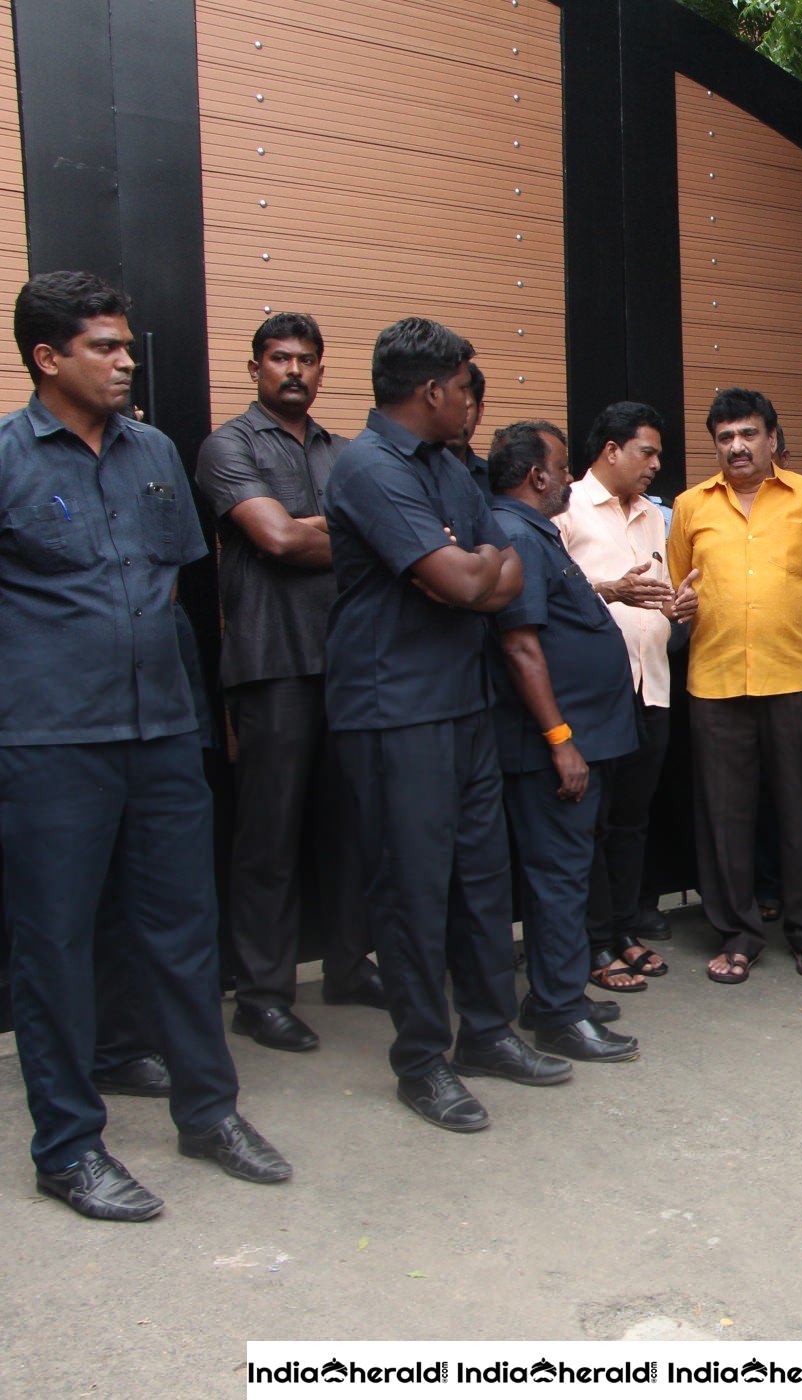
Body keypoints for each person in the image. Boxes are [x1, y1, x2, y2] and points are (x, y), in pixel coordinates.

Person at [0, 271, 289, 1220]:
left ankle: (209, 1114)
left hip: (163, 732)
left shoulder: (157, 451)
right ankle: (68, 1148)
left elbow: (170, 590)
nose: (128, 362)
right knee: (55, 944)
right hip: (50, 743)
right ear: (48, 357)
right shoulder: (7, 458)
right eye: (105, 347)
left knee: (182, 931)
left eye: (128, 345)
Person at [327, 317, 566, 1133]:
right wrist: (466, 571)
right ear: (432, 390)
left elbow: (500, 565)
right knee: (413, 892)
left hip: (463, 703)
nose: (473, 401)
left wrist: (468, 571)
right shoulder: (366, 468)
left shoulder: (453, 467)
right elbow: (465, 578)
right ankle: (422, 1059)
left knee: (479, 882)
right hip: (395, 711)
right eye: (466, 386)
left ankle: (489, 1034)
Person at [193, 312, 385, 1050]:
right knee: (268, 839)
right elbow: (273, 538)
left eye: (307, 359)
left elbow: (375, 540)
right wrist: (338, 532)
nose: (294, 371)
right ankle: (263, 995)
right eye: (280, 359)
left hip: (349, 663)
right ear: (255, 369)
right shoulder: (227, 446)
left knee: (350, 828)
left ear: (322, 370)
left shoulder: (344, 453)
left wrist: (318, 531)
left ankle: (346, 963)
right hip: (272, 663)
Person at [668, 387, 802, 983]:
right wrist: (687, 606)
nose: (737, 447)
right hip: (715, 681)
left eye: (748, 434)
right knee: (724, 816)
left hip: (794, 674)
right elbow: (680, 590)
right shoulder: (691, 506)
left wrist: (787, 618)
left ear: (773, 438)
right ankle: (737, 933)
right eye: (725, 437)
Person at [486, 421, 644, 1061]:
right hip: (554, 748)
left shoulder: (529, 533)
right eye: (561, 466)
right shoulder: (516, 534)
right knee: (558, 878)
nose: (570, 480)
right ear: (538, 476)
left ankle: (553, 992)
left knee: (565, 874)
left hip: (579, 738)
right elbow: (521, 646)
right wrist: (560, 740)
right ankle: (558, 1013)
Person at [559, 400, 679, 991]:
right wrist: (611, 590)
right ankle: (592, 940)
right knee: (592, 823)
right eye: (646, 452)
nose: (656, 463)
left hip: (650, 683)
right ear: (611, 451)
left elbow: (656, 591)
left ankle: (624, 929)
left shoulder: (655, 516)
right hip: (594, 695)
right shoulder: (566, 506)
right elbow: (547, 591)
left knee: (633, 820)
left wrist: (679, 605)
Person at [448, 360, 489, 495]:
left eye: (465, 406)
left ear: (480, 412)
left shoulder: (494, 479)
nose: (456, 414)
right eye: (449, 405)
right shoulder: (408, 472)